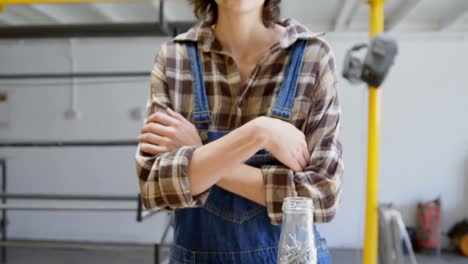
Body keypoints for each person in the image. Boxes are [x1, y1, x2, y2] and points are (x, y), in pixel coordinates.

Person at [135, 0, 343, 263]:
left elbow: (322, 197)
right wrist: (259, 132)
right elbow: (156, 188)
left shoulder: (312, 55)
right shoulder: (174, 57)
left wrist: (199, 155)